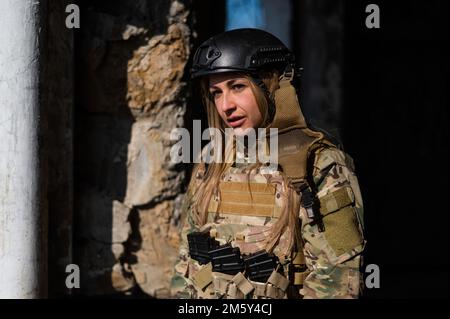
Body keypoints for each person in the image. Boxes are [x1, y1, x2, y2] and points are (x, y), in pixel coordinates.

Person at [170, 28, 366, 299]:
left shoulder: (317, 164)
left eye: (237, 86)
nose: (225, 105)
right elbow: (187, 264)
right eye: (216, 92)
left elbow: (337, 283)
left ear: (272, 84)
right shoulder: (212, 159)